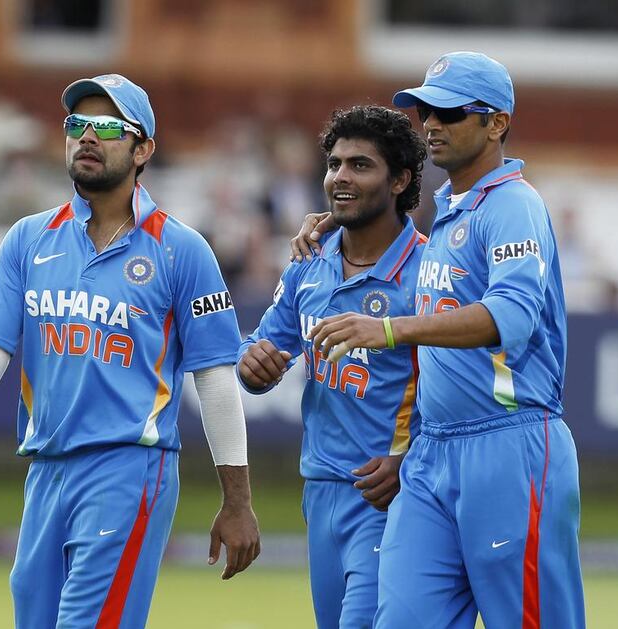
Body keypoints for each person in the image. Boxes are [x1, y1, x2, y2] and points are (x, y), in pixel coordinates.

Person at [0, 73, 260, 628]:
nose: (86, 137)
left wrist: (238, 500)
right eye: (76, 125)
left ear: (143, 147)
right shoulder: (29, 238)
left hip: (129, 467)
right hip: (46, 469)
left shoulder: (182, 250)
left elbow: (217, 381)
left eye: (106, 126)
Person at [295, 52, 585, 628]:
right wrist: (342, 220)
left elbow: (513, 315)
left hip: (510, 445)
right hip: (430, 456)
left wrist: (386, 330)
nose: (430, 123)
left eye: (451, 111)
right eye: (425, 108)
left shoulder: (514, 206)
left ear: (496, 122)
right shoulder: (449, 213)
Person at [238, 105, 428, 629]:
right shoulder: (309, 264)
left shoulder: (427, 275)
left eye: (360, 165)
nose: (340, 176)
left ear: (400, 181)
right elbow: (263, 347)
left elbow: (456, 391)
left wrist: (407, 462)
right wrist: (250, 362)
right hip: (319, 490)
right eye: (334, 163)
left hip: (388, 494)